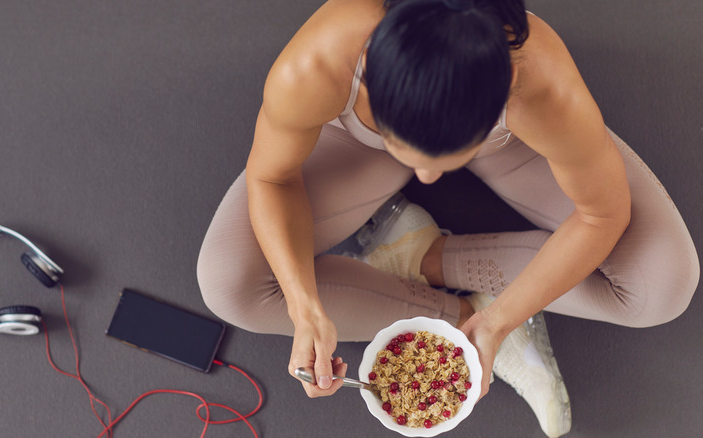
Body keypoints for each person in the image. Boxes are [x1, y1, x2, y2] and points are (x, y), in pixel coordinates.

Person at [197, 0, 699, 435]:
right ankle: (453, 313)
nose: (426, 177)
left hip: (507, 139)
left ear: (510, 87)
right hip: (356, 146)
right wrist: (304, 307)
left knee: (663, 285)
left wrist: (500, 321)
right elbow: (273, 178)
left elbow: (602, 214)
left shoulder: (543, 89)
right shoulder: (317, 65)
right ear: (369, 75)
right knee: (228, 285)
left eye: (444, 160)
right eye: (407, 150)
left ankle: (428, 257)